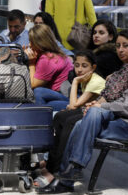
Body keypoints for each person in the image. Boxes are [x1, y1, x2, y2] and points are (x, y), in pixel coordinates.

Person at [37, 30, 128, 194]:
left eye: (126, 46)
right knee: (79, 123)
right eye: (118, 46)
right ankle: (68, 177)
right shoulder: (121, 72)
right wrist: (97, 104)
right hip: (114, 118)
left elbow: (125, 106)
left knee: (87, 115)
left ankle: (74, 167)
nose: (121, 49)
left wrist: (101, 107)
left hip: (124, 123)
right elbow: (108, 97)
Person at [25, 24, 73, 111]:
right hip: (65, 94)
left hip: (64, 96)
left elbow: (32, 85)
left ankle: (39, 120)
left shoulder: (46, 59)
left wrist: (31, 63)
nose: (29, 45)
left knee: (38, 92)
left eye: (32, 42)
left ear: (40, 43)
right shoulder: (57, 53)